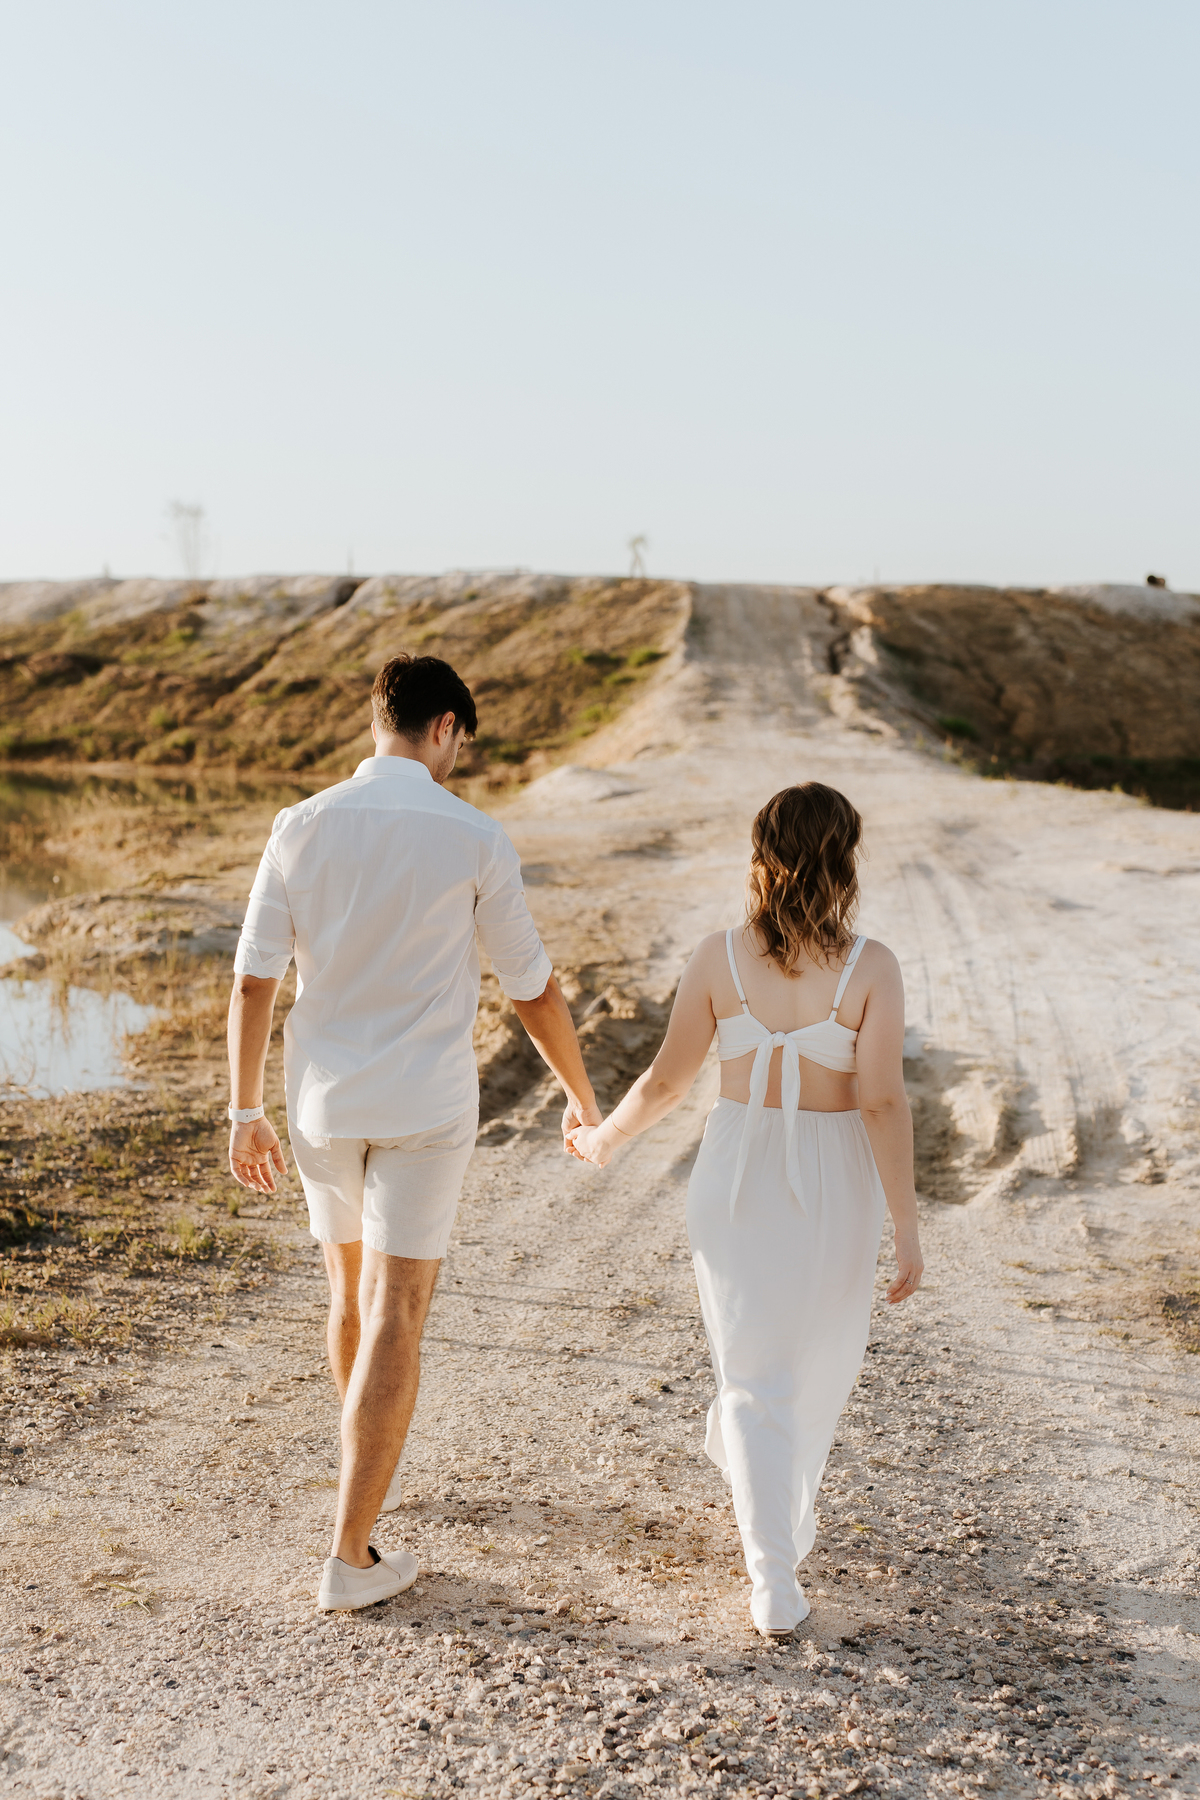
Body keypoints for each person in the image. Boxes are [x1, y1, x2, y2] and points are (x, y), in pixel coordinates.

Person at [226, 653, 600, 1612]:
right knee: (399, 1309)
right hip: (424, 1108)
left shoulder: (297, 826)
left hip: (321, 1102)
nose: (457, 761)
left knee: (349, 1295)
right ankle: (351, 1555)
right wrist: (581, 1095)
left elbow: (253, 980)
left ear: (377, 720)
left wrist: (242, 1111)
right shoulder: (473, 834)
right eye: (460, 746)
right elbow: (533, 988)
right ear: (444, 729)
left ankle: (366, 1478)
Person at [569, 782, 923, 1637]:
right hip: (836, 1174)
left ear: (762, 855)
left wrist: (604, 1140)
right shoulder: (871, 966)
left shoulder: (719, 956)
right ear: (843, 860)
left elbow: (666, 1080)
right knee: (814, 1369)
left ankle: (773, 1551)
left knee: (752, 1371)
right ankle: (772, 1566)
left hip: (736, 1170)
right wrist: (907, 1226)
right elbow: (880, 1101)